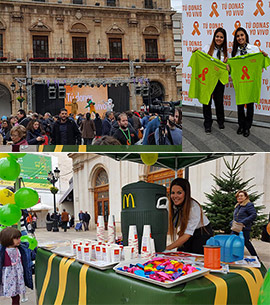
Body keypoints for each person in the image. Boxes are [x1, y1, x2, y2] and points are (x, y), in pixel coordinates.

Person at [231, 27, 268, 137]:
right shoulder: (234, 52)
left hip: (251, 82)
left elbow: (259, 65)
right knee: (240, 105)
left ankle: (247, 127)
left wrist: (263, 57)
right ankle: (241, 125)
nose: (240, 38)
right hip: (240, 83)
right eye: (238, 36)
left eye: (242, 35)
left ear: (246, 36)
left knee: (250, 105)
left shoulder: (255, 49)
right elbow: (233, 69)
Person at [166, 178, 213, 254]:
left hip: (202, 232)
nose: (175, 196)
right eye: (172, 192)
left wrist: (167, 248)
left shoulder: (193, 207)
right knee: (181, 253)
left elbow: (187, 235)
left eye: (179, 193)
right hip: (187, 232)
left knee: (195, 256)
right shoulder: (171, 205)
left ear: (186, 193)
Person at [201, 27, 228, 133]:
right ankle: (208, 123)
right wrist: (196, 53)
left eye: (221, 37)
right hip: (207, 79)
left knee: (219, 101)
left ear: (224, 39)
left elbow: (228, 69)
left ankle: (220, 121)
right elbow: (201, 61)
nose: (219, 39)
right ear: (214, 37)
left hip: (219, 81)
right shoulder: (207, 48)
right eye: (217, 36)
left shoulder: (226, 53)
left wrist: (227, 66)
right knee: (206, 102)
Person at [0, 227, 35, 305]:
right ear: (8, 239)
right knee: (12, 294)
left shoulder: (21, 248)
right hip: (8, 277)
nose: (19, 240)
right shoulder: (2, 251)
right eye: (16, 238)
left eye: (19, 238)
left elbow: (30, 255)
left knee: (16, 295)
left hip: (18, 275)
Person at [231, 190, 257, 256]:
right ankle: (234, 255)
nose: (239, 197)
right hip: (236, 227)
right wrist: (232, 223)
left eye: (241, 196)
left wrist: (243, 222)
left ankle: (255, 256)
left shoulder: (248, 205)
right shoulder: (238, 206)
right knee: (232, 240)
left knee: (246, 242)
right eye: (238, 196)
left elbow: (253, 215)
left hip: (244, 228)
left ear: (246, 197)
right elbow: (236, 216)